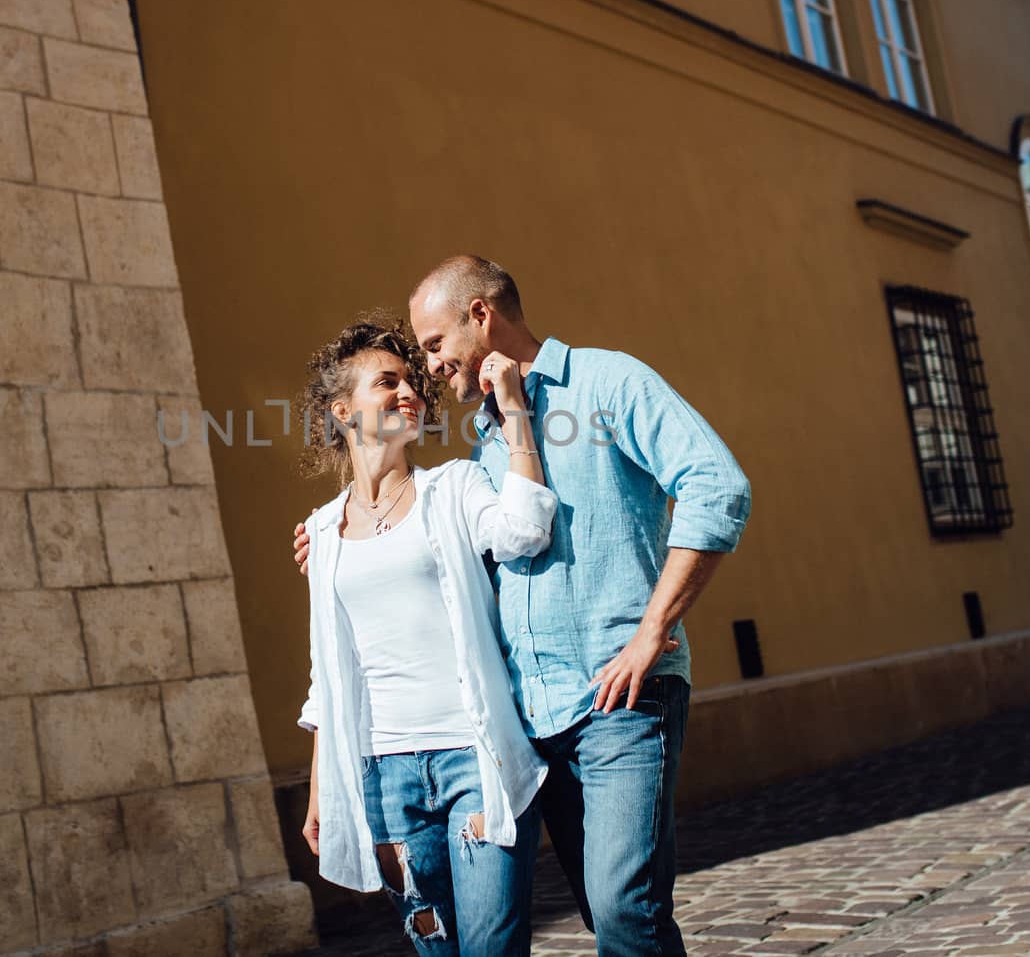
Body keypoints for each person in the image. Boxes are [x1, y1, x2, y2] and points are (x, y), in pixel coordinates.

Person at [295, 258, 751, 957]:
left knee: (625, 908)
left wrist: (651, 633)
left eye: (434, 344)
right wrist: (339, 548)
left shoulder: (607, 382)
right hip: (534, 719)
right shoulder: (480, 442)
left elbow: (717, 488)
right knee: (609, 915)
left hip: (620, 695)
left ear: (480, 315)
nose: (428, 367)